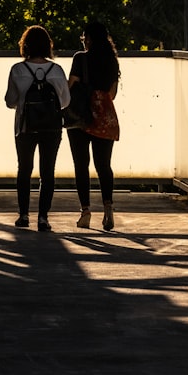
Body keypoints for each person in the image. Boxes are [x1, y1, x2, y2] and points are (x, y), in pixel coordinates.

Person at [5, 25, 71, 232]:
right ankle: (43, 217)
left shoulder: (18, 70)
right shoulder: (57, 71)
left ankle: (23, 215)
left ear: (25, 46)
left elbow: (10, 101)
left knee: (24, 169)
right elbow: (65, 102)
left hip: (25, 126)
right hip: (52, 128)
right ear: (47, 46)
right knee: (47, 171)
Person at [67, 21, 121, 230]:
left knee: (82, 165)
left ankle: (86, 212)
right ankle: (108, 209)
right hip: (104, 117)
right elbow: (113, 94)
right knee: (104, 166)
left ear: (88, 38)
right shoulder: (112, 61)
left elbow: (71, 84)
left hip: (80, 117)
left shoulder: (80, 58)